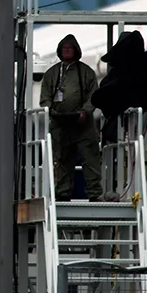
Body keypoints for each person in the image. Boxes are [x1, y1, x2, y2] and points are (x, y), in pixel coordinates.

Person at [41, 33, 102, 201]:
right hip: (60, 124)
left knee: (90, 158)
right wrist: (51, 111)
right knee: (62, 158)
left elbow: (94, 95)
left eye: (70, 48)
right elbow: (45, 97)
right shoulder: (52, 74)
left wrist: (85, 111)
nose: (67, 50)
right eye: (64, 48)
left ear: (76, 50)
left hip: (83, 124)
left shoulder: (86, 72)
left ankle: (94, 193)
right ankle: (62, 193)